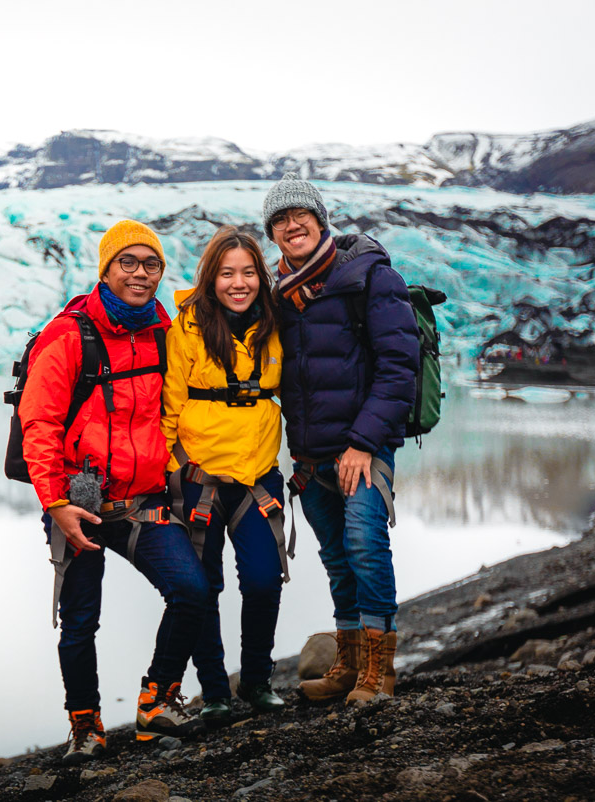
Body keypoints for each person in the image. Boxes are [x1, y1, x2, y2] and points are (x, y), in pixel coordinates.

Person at [19, 219, 207, 764]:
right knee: (80, 621)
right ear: (106, 268)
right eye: (128, 262)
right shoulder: (69, 334)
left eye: (151, 264)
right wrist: (57, 503)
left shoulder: (163, 331)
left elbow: (177, 412)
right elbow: (41, 425)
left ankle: (157, 699)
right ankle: (85, 724)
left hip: (144, 501)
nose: (141, 274)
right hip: (80, 502)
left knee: (191, 592)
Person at [262, 173, 419, 706]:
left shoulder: (370, 276)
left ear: (320, 218)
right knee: (336, 557)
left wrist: (362, 443)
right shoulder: (275, 293)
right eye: (279, 220)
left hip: (361, 450)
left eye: (299, 214)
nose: (291, 225)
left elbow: (400, 369)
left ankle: (380, 672)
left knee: (366, 549)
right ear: (272, 233)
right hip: (309, 458)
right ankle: (349, 665)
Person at [162, 226, 287, 725]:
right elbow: (170, 406)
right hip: (200, 480)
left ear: (261, 275)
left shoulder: (278, 325)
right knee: (203, 587)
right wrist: (173, 473)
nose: (239, 283)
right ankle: (214, 690)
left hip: (259, 476)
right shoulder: (186, 329)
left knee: (262, 581)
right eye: (227, 273)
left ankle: (256, 681)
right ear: (211, 278)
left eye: (249, 272)